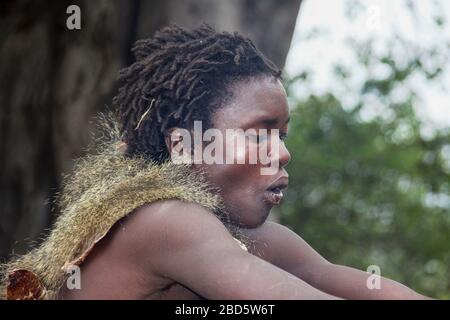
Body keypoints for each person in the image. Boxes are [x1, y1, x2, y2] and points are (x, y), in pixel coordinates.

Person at [1, 24, 431, 300]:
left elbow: (368, 290)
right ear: (185, 146)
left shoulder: (246, 236)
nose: (282, 152)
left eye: (281, 135)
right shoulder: (166, 221)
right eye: (259, 132)